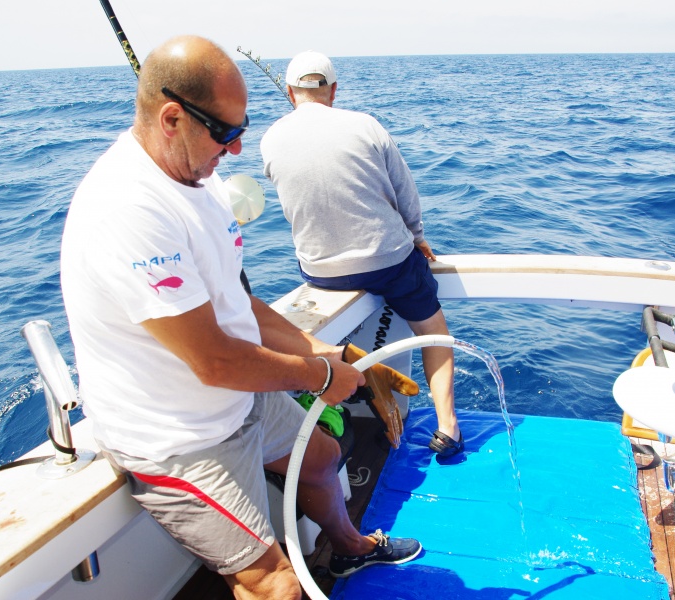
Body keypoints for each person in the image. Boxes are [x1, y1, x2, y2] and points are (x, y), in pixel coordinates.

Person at [60, 36, 421, 599]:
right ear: (172, 118)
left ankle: (349, 549)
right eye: (224, 133)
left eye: (242, 130)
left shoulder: (196, 180)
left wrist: (330, 353)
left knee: (321, 458)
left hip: (234, 395)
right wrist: (321, 378)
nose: (234, 151)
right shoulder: (128, 208)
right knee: (275, 584)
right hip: (175, 435)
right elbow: (212, 359)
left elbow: (240, 303)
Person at [260, 50, 463, 457]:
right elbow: (406, 193)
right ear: (333, 90)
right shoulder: (365, 125)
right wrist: (417, 236)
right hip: (388, 261)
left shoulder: (270, 138)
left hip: (320, 271)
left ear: (289, 92)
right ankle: (448, 427)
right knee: (433, 330)